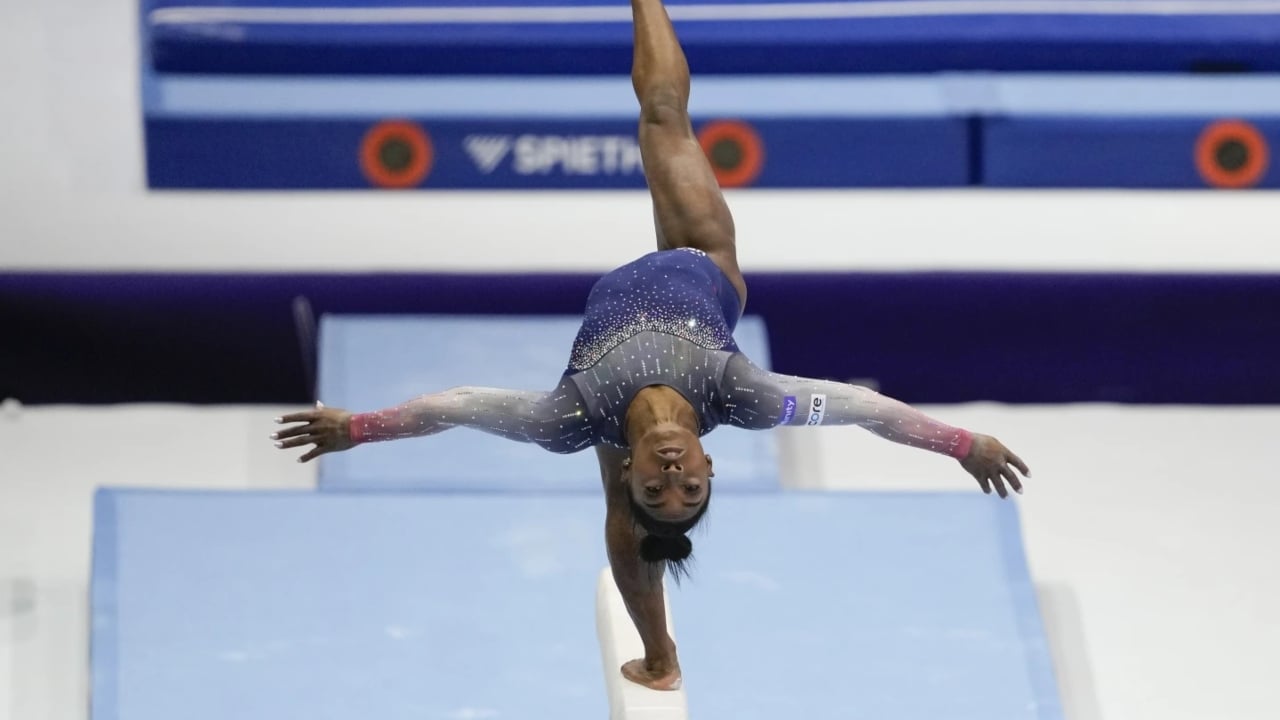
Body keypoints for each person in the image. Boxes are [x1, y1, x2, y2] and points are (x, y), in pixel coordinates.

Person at [272, 0, 1030, 693]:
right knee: (665, 115)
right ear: (710, 463)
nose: (672, 478)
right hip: (701, 260)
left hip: (606, 403)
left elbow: (461, 406)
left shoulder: (568, 419)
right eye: (691, 489)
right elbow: (864, 409)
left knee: (609, 471)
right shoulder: (746, 398)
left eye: (656, 490)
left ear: (635, 472)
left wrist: (360, 428)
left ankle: (659, 649)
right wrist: (961, 444)